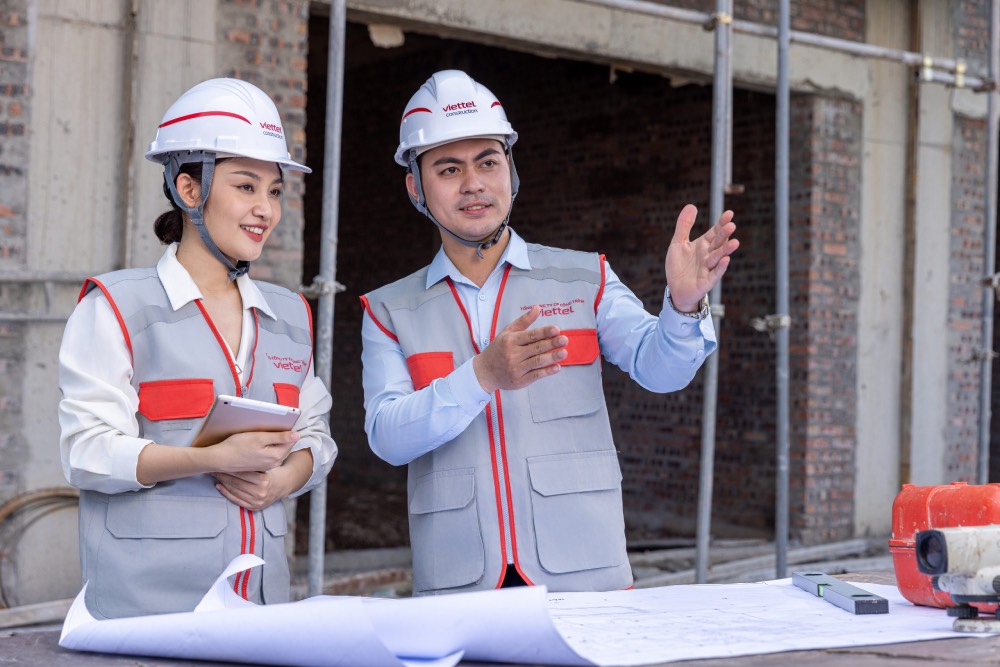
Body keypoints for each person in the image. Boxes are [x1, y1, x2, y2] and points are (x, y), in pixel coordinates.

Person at [360, 70, 739, 595]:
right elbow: (388, 438)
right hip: (461, 587)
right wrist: (482, 376)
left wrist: (683, 303)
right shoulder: (388, 310)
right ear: (415, 186)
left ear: (511, 172)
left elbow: (662, 371)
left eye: (488, 162)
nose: (473, 183)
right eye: (448, 169)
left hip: (586, 578)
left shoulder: (586, 278)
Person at [58, 78, 337, 619]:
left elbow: (317, 440)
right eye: (246, 186)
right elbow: (85, 453)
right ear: (190, 190)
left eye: (274, 190)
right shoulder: (117, 306)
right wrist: (207, 460)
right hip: (148, 615)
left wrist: (283, 478)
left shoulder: (290, 316)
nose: (266, 209)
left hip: (260, 609)